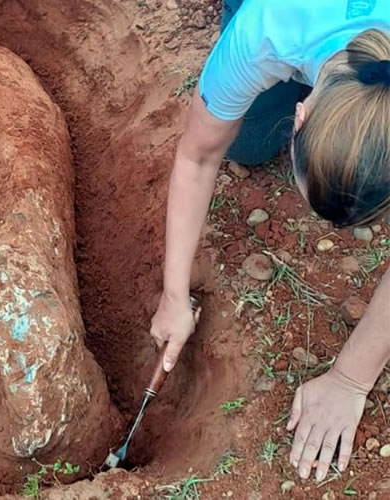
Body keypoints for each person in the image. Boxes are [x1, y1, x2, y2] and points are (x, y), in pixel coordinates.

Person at [149, 0, 390, 483]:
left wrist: (350, 379)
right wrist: (173, 296)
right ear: (299, 117)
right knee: (249, 143)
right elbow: (198, 156)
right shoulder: (269, 28)